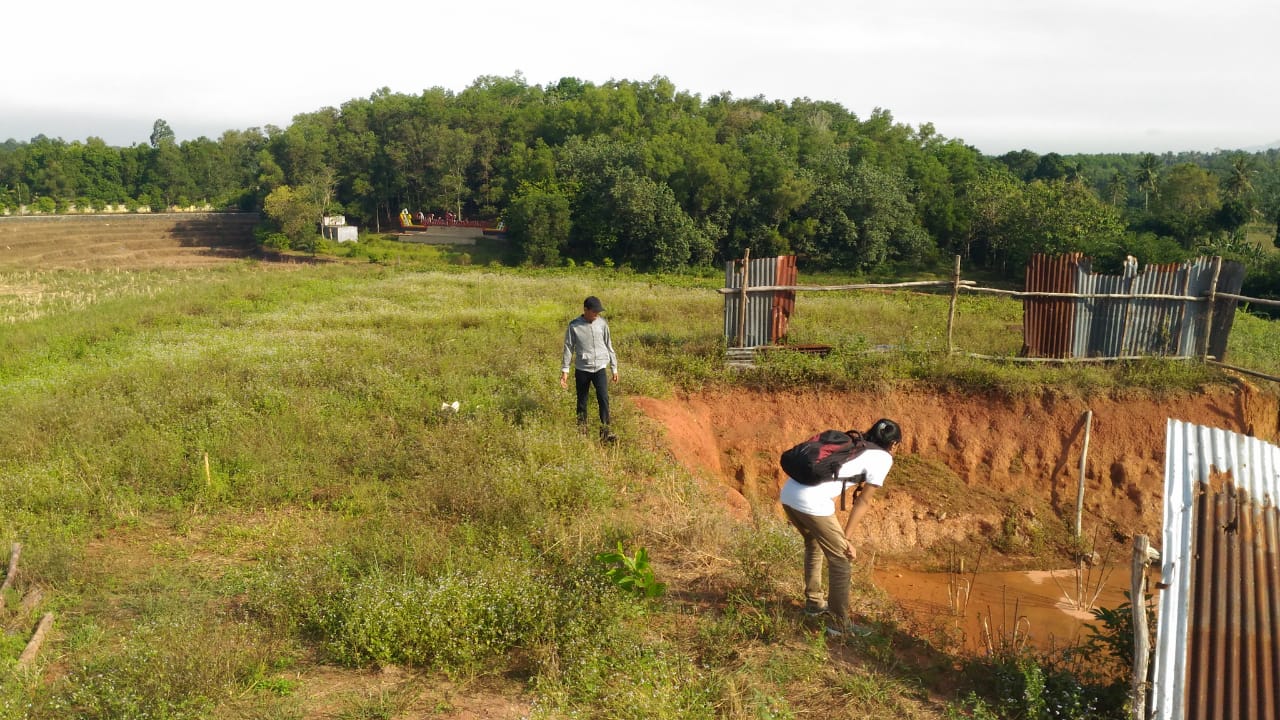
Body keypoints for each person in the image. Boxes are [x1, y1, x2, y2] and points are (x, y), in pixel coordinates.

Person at [778, 418, 902, 635]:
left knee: (813, 542)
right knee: (841, 559)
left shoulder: (855, 444)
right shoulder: (883, 458)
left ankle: (814, 604)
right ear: (894, 445)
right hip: (811, 502)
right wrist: (846, 539)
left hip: (788, 494)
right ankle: (839, 624)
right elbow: (863, 501)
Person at [560, 296, 619, 442]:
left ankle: (605, 434)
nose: (596, 315)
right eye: (594, 312)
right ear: (585, 310)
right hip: (582, 369)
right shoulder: (574, 326)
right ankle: (582, 434)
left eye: (598, 312)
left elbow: (609, 345)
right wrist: (565, 371)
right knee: (582, 402)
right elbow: (568, 348)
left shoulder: (602, 324)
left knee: (603, 399)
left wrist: (614, 368)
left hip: (599, 368)